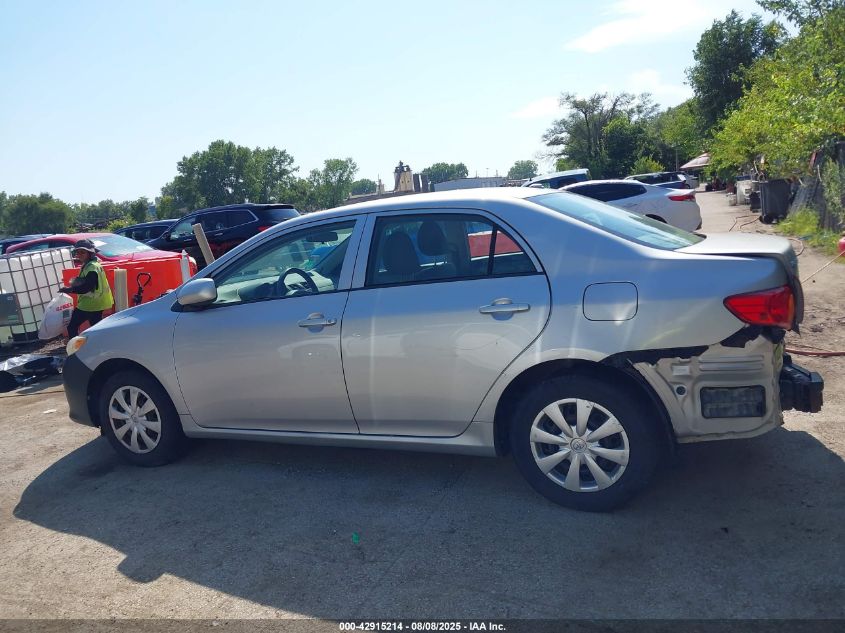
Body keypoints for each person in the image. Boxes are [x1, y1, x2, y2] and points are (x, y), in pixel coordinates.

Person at [59, 239, 114, 337]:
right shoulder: (93, 265)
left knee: (72, 326)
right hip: (98, 303)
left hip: (89, 304)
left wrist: (70, 289)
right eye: (77, 252)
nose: (79, 254)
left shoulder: (91, 267)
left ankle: (75, 351)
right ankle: (99, 349)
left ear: (90, 253)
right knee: (96, 329)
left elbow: (87, 287)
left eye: (82, 252)